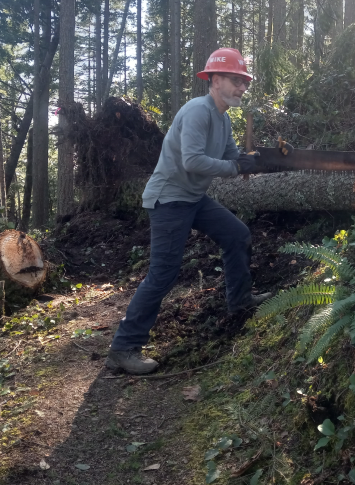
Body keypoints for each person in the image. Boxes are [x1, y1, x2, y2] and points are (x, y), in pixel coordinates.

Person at [107, 47, 270, 376]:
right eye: (236, 81)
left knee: (237, 235)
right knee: (163, 274)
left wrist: (250, 162)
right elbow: (192, 161)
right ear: (215, 80)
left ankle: (239, 300)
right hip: (169, 198)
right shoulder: (198, 111)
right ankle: (123, 348)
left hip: (192, 198)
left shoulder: (222, 119)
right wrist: (235, 166)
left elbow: (232, 156)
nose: (241, 88)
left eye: (244, 83)